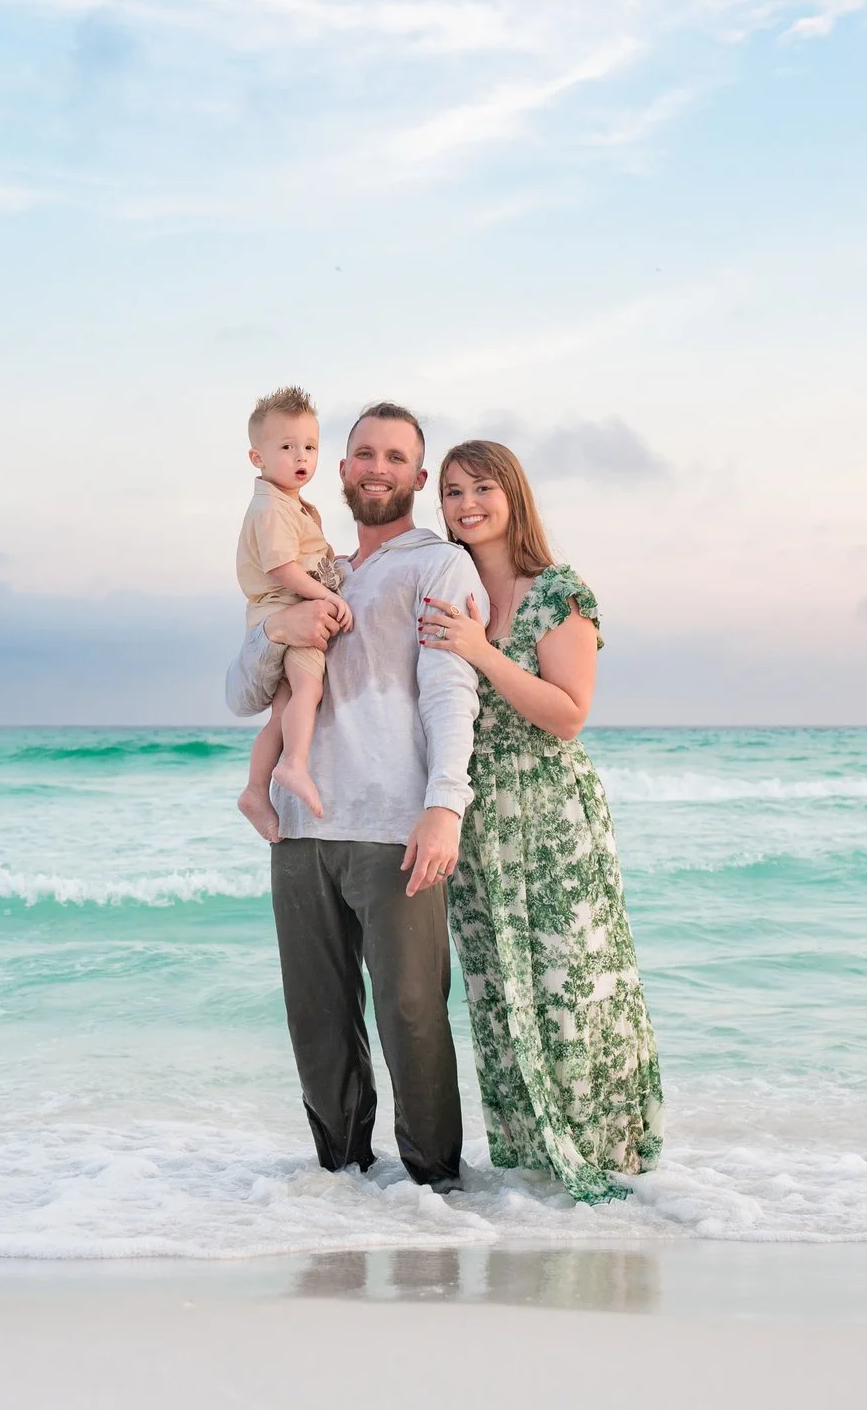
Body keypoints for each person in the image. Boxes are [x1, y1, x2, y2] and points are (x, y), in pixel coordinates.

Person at [225, 402, 489, 1192]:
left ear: (418, 474)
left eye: (396, 456)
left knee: (412, 1016)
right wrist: (283, 628)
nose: (378, 467)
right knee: (318, 1024)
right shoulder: (310, 568)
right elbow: (240, 694)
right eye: (363, 453)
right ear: (341, 471)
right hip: (301, 830)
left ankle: (435, 1191)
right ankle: (340, 1191)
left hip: (392, 827)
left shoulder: (438, 566)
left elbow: (451, 694)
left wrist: (445, 803)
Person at [421, 439, 664, 1202]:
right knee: (500, 989)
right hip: (480, 814)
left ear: (513, 495)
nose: (467, 504)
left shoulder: (559, 590)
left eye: (483, 488)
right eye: (454, 491)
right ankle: (531, 1172)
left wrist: (480, 651)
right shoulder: (449, 587)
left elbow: (568, 715)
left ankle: (607, 1155)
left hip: (554, 814)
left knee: (575, 983)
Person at [234, 386, 350, 838]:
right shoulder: (270, 508)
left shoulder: (293, 505)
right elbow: (282, 567)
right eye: (286, 447)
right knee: (308, 690)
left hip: (284, 610)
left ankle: (255, 791)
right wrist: (330, 599)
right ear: (256, 457)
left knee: (282, 712)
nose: (300, 455)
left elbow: (309, 557)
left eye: (309, 446)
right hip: (288, 612)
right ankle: (295, 765)